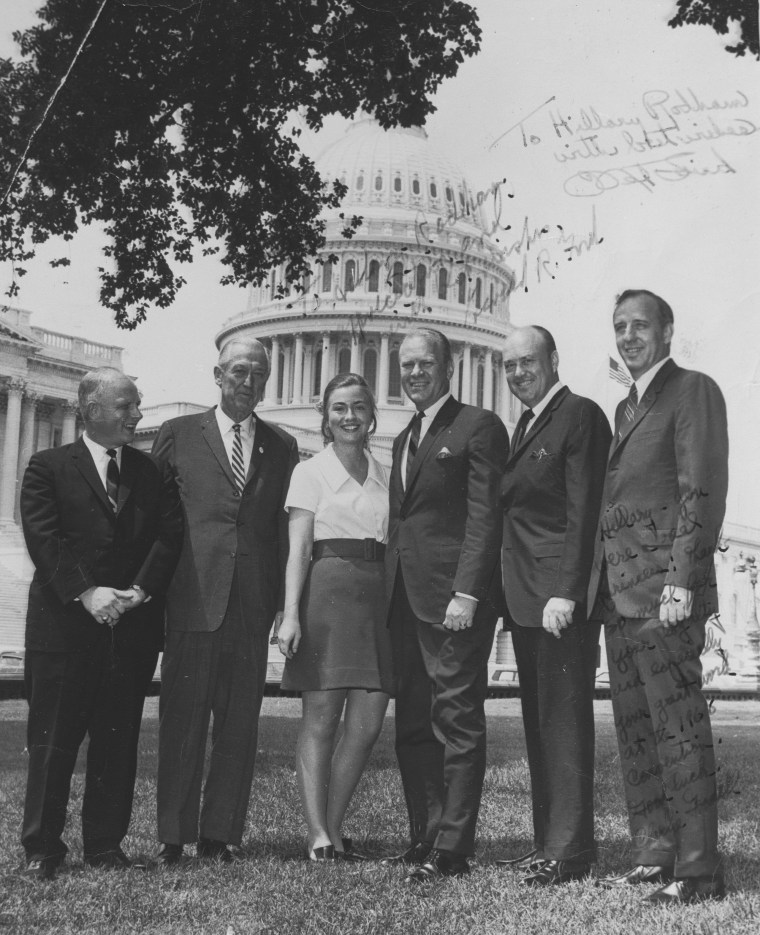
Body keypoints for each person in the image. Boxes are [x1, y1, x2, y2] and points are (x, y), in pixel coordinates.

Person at [18, 368, 182, 879]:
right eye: (125, 406)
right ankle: (43, 849)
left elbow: (168, 534)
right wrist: (86, 593)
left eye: (136, 405)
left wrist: (138, 591)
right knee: (53, 743)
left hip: (129, 628)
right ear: (91, 409)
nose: (136, 414)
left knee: (117, 741)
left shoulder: (151, 471)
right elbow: (43, 538)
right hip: (65, 628)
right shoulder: (47, 467)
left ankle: (106, 846)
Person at [596, 290, 729, 904]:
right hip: (621, 600)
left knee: (678, 731)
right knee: (637, 732)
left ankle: (698, 869)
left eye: (640, 325)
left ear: (668, 331)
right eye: (620, 326)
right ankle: (655, 852)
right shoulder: (627, 407)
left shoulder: (691, 390)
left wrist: (680, 580)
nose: (628, 336)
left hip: (664, 596)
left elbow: (699, 491)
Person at [152, 337, 298, 865]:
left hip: (251, 602)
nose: (250, 383)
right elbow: (158, 518)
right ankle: (173, 834)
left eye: (260, 374)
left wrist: (282, 602)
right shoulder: (179, 434)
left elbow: (280, 530)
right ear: (217, 374)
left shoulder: (281, 447)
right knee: (183, 719)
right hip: (191, 594)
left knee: (239, 721)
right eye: (240, 372)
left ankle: (219, 834)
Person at [382, 328, 509, 883]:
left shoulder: (478, 425)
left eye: (424, 364)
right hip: (406, 602)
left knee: (456, 720)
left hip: (453, 601)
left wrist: (468, 592)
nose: (414, 373)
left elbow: (486, 516)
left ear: (448, 366)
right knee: (413, 723)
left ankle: (453, 846)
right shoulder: (404, 436)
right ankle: (425, 834)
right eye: (406, 364)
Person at [497, 326, 611, 886]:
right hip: (526, 596)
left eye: (528, 362)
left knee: (563, 721)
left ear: (554, 360)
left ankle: (570, 851)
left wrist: (566, 590)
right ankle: (550, 842)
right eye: (510, 365)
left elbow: (584, 511)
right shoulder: (525, 424)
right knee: (540, 722)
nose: (518, 373)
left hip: (556, 597)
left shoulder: (579, 415)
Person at [277, 374, 392, 861]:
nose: (350, 417)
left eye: (359, 408)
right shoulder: (310, 471)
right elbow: (298, 547)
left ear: (372, 415)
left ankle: (337, 826)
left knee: (366, 725)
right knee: (321, 719)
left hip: (378, 598)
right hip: (327, 594)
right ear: (325, 417)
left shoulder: (384, 470)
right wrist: (290, 615)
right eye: (339, 408)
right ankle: (317, 832)